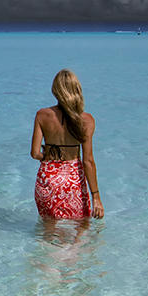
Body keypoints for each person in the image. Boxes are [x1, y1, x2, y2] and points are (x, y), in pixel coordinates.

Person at [30, 69, 104, 221]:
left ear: (55, 90)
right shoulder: (87, 120)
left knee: (49, 231)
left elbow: (34, 153)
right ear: (77, 89)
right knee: (81, 229)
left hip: (48, 178)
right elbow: (88, 161)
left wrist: (49, 156)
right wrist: (96, 196)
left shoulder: (42, 115)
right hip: (73, 180)